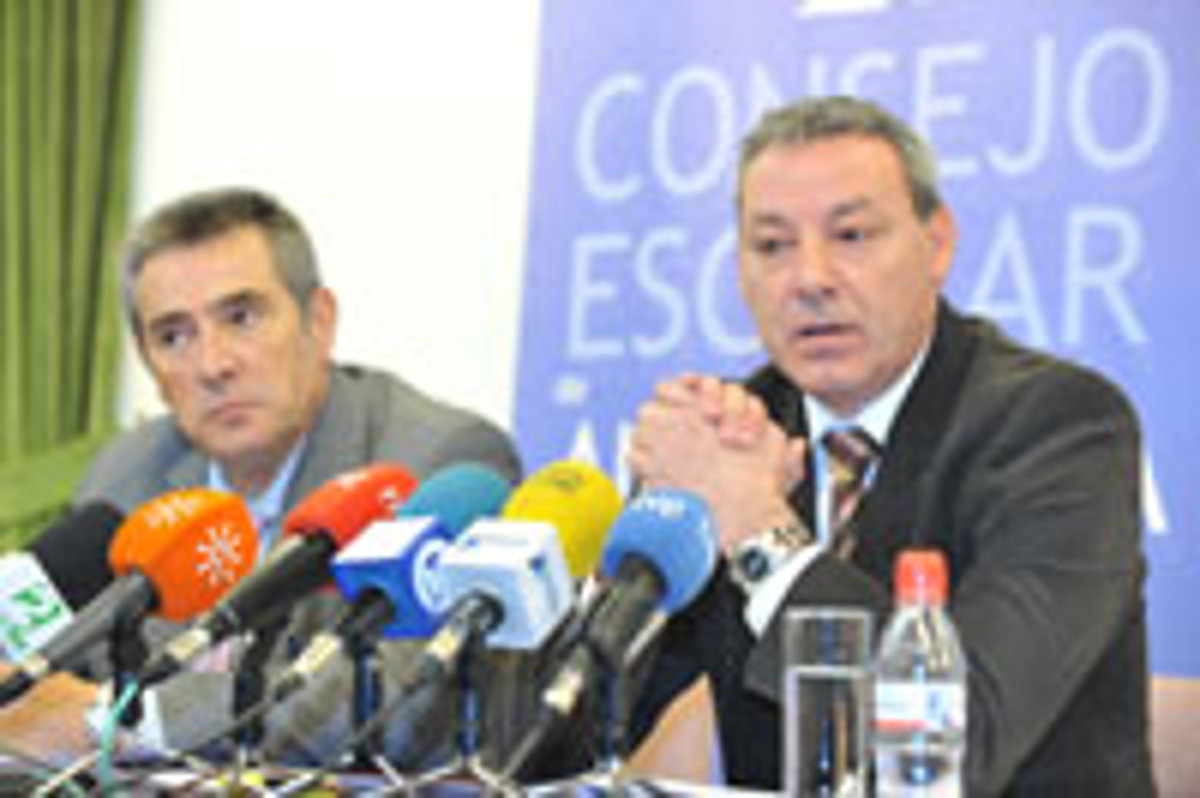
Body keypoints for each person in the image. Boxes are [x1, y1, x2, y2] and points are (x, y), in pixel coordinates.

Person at [625, 96, 1153, 795]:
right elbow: (566, 734)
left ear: (937, 244)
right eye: (773, 245)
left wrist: (757, 530)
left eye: (851, 235)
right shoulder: (731, 438)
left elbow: (956, 746)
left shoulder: (1060, 427)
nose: (809, 278)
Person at [4, 188, 524, 771]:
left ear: (319, 322)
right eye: (174, 336)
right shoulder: (126, 477)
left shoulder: (435, 463)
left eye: (241, 318)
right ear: (149, 363)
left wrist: (119, 723)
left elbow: (404, 700)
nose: (213, 365)